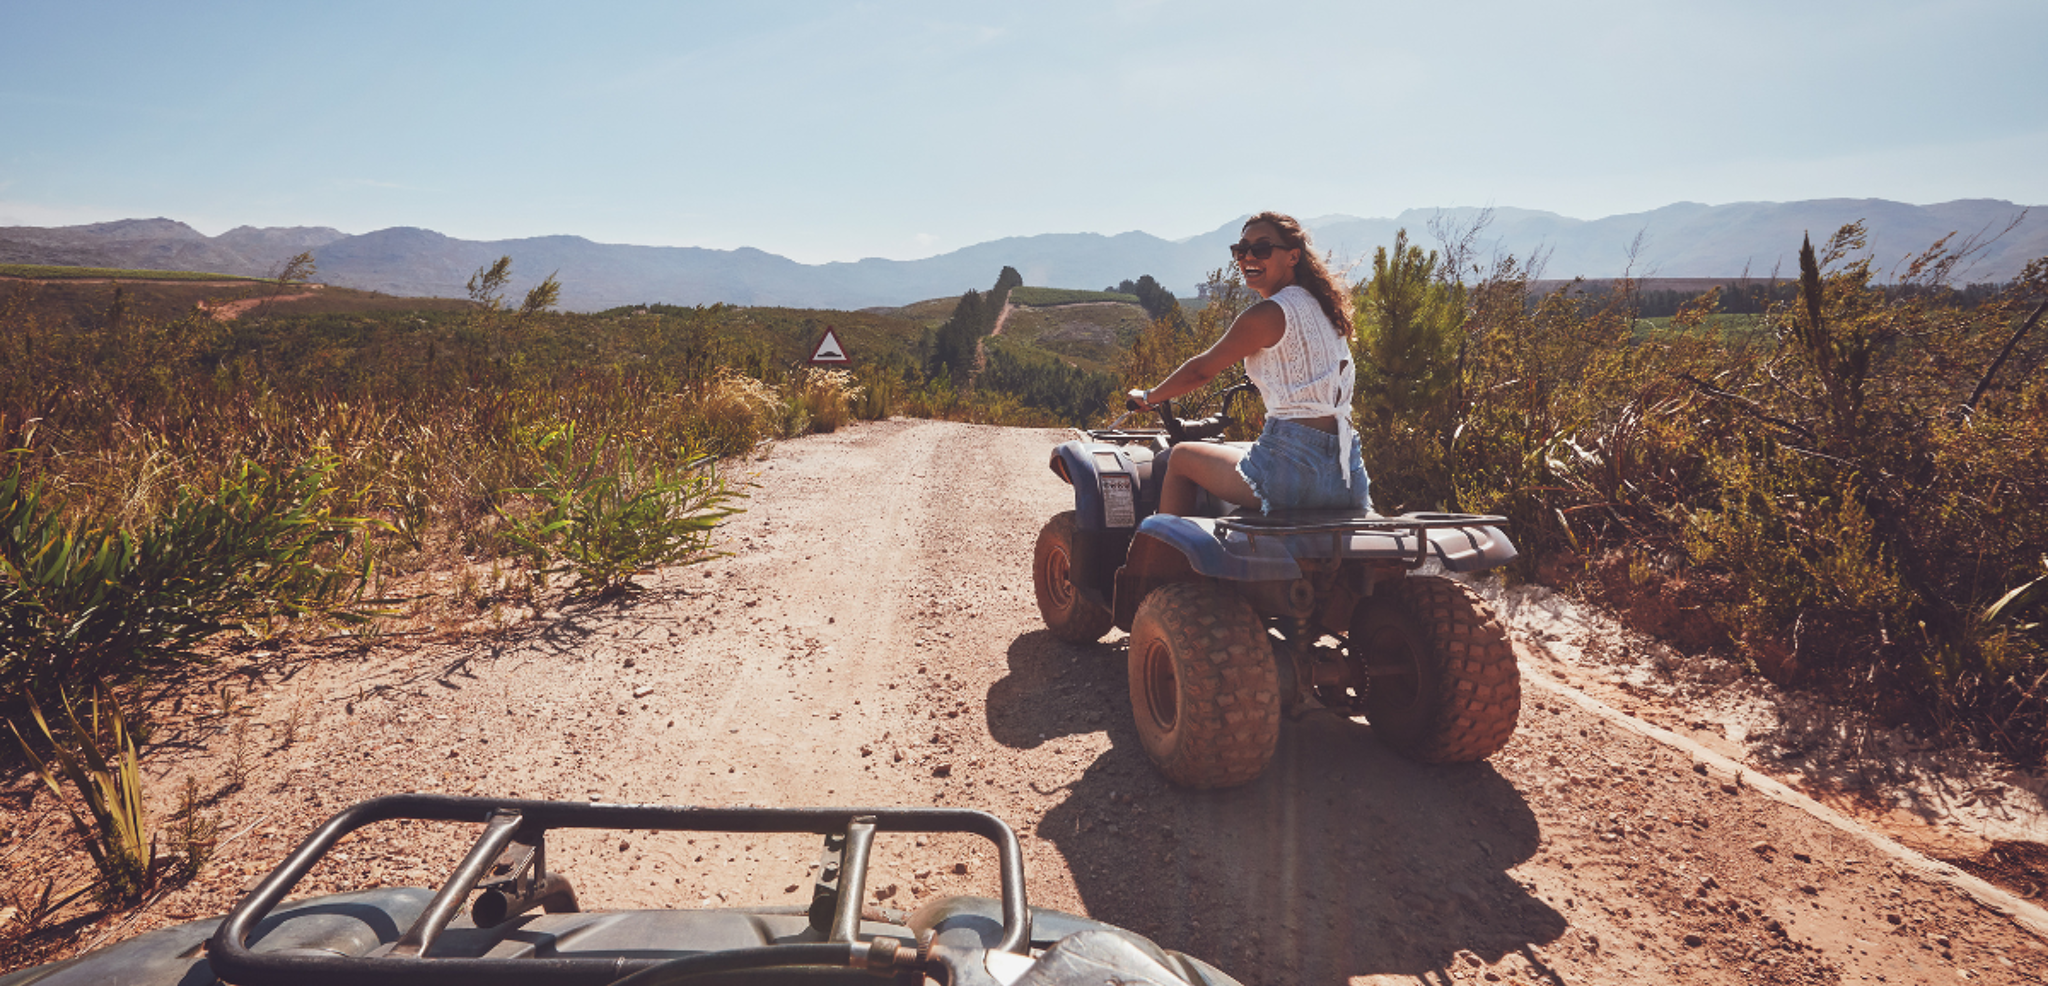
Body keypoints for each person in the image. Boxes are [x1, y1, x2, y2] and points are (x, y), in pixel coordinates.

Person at [1127, 211, 1370, 517]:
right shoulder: (1325, 309)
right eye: (1241, 250)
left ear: (1293, 256)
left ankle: (1160, 563)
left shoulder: (1269, 313)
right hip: (1348, 475)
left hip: (1289, 474)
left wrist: (1149, 397)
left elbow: (1201, 370)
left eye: (1262, 249)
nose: (1248, 257)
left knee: (1180, 459)